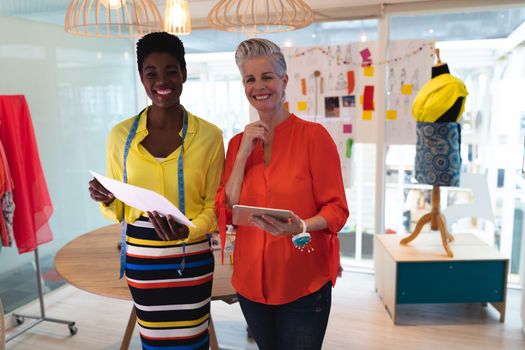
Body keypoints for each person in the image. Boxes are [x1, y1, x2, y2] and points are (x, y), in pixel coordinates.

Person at [88, 32, 224, 349]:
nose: (162, 80)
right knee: (153, 341)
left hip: (191, 257)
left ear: (184, 73)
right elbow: (116, 211)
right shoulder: (119, 136)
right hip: (143, 260)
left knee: (193, 340)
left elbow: (215, 207)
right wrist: (107, 199)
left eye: (171, 70)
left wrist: (188, 230)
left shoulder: (210, 136)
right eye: (152, 73)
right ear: (141, 78)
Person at [215, 38, 349, 350]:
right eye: (250, 79)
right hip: (250, 284)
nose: (258, 86)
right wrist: (242, 154)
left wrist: (302, 225)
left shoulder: (314, 138)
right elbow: (227, 209)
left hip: (302, 281)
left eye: (267, 77)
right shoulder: (237, 143)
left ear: (284, 80)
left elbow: (337, 209)